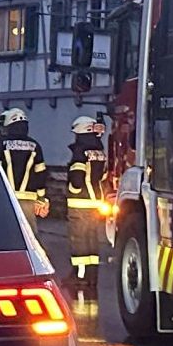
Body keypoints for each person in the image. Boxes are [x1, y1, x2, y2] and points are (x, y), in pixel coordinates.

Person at [64, 114, 108, 301]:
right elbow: (103, 176)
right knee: (92, 240)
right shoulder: (99, 151)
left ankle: (79, 276)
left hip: (79, 203)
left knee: (79, 241)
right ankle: (92, 276)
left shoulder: (80, 152)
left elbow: (77, 179)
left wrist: (72, 190)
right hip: (96, 202)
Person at [0, 107, 49, 223]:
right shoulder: (35, 145)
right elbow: (41, 174)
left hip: (6, 198)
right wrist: (41, 198)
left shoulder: (0, 145)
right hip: (28, 200)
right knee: (29, 234)